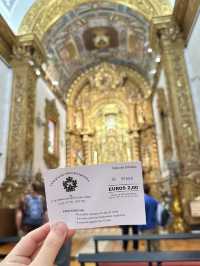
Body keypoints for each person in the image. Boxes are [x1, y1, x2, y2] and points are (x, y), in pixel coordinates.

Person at [0, 222, 75, 266]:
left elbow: (19, 214)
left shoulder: (26, 200)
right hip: (38, 227)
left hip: (31, 226)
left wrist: (19, 227)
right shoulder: (40, 199)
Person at [139, 183, 159, 251]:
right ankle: (158, 260)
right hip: (154, 225)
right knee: (156, 245)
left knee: (148, 246)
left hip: (146, 226)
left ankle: (150, 261)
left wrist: (140, 227)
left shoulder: (142, 200)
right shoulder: (154, 200)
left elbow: (142, 215)